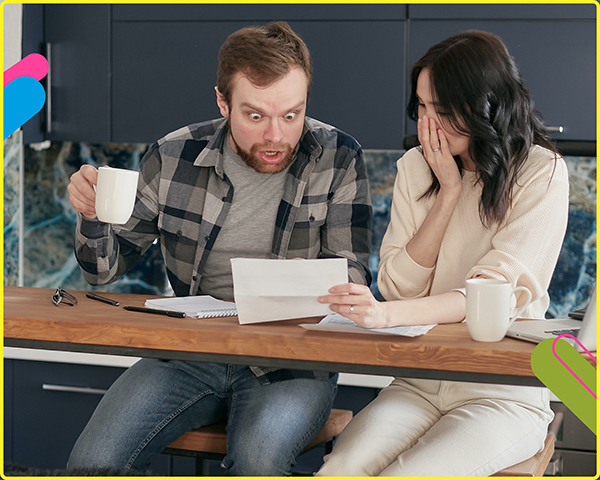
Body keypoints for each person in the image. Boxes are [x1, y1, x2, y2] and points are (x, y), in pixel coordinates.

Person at [67, 21, 372, 476]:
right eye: (255, 116)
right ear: (222, 102)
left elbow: (353, 275)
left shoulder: (338, 156)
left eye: (291, 115)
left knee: (257, 462)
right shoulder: (172, 156)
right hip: (191, 352)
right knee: (92, 463)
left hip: (293, 359)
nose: (275, 135)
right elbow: (102, 271)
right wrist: (92, 215)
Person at [316, 30, 569, 476]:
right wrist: (448, 190)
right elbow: (397, 286)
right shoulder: (416, 168)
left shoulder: (541, 173)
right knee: (340, 470)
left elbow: (489, 295)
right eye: (422, 107)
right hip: (420, 380)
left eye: (445, 111)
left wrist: (382, 316)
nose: (428, 124)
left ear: (488, 105)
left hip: (503, 391)